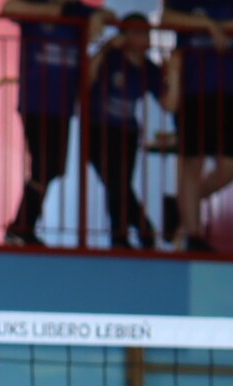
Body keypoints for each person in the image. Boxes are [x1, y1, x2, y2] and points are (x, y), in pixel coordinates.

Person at [162, 0, 233, 252]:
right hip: (192, 91)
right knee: (193, 162)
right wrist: (207, 25)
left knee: (230, 167)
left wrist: (224, 26)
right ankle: (193, 235)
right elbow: (167, 18)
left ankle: (182, 206)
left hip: (224, 91)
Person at [0, 0, 106, 246]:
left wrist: (97, 21)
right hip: (36, 102)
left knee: (52, 167)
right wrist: (48, 12)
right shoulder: (38, 5)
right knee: (44, 165)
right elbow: (8, 8)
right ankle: (20, 227)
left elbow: (104, 17)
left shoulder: (77, 10)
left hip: (63, 105)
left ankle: (23, 227)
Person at [84, 14, 165, 247]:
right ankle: (139, 229)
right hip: (98, 128)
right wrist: (106, 47)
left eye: (146, 33)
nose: (144, 39)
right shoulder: (111, 58)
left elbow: (167, 102)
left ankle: (121, 235)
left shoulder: (149, 68)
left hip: (126, 132)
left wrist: (174, 73)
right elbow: (87, 77)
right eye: (137, 33)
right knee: (116, 183)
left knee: (118, 184)